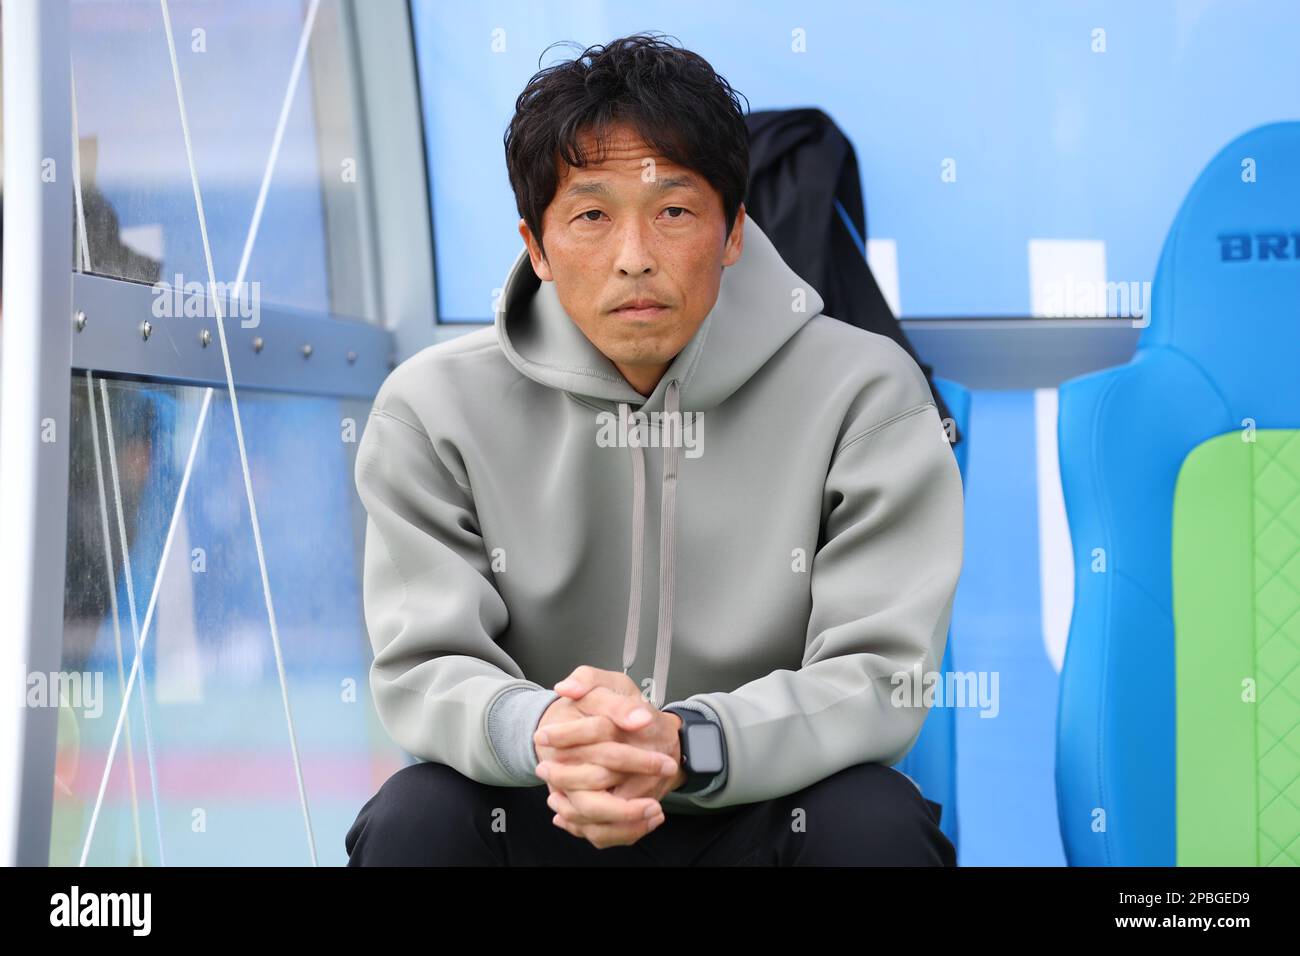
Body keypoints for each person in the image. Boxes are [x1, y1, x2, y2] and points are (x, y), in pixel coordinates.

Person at [345, 32, 963, 866]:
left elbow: (883, 675)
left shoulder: (865, 390)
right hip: (545, 797)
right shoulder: (430, 406)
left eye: (674, 211)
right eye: (592, 216)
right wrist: (552, 732)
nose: (635, 259)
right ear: (536, 246)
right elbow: (425, 668)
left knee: (872, 822)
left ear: (733, 230)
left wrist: (690, 743)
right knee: (416, 818)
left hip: (758, 799)